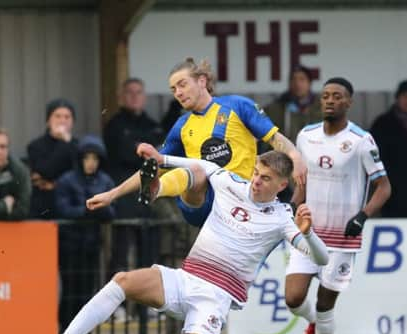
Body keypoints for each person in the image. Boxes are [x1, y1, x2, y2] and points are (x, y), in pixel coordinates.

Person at [37, 150, 329, 334]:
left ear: (281, 185)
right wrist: (159, 158)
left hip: (214, 298)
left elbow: (321, 258)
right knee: (123, 280)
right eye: (255, 173)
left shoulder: (282, 219)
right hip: (184, 280)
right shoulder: (229, 182)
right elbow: (196, 164)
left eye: (265, 178)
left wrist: (309, 235)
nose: (255, 181)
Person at [87, 57, 307, 229]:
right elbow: (155, 165)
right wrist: (111, 194)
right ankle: (156, 189)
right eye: (173, 90)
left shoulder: (237, 106)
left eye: (182, 85)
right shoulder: (181, 125)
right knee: (191, 169)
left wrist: (295, 156)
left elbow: (275, 138)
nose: (178, 93)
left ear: (202, 81)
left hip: (240, 198)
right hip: (202, 203)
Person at [284, 77, 391, 334]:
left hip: (344, 238)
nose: (329, 100)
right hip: (309, 231)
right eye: (326, 95)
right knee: (293, 298)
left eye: (337, 96)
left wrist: (363, 215)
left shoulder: (361, 140)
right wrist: (293, 204)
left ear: (348, 103)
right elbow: (301, 181)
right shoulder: (306, 136)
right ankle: (314, 324)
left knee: (325, 303)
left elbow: (384, 187)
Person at [55, 135, 115, 334]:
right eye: (87, 158)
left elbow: (112, 211)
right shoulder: (67, 180)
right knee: (70, 292)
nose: (91, 163)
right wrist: (89, 211)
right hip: (70, 245)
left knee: (88, 294)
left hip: (91, 245)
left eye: (95, 159)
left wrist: (95, 211)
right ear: (80, 159)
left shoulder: (105, 181)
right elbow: (62, 210)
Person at [103, 77, 163, 219]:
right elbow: (124, 155)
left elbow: (161, 153)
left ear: (145, 97)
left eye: (138, 92)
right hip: (124, 188)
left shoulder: (153, 126)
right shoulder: (114, 125)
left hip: (151, 186)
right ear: (121, 97)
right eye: (130, 92)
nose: (135, 96)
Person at [27, 98, 79, 219]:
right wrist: (64, 143)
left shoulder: (79, 146)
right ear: (48, 120)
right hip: (45, 206)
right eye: (58, 116)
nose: (62, 121)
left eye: (67, 117)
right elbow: (45, 171)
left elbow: (80, 171)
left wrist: (54, 184)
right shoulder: (35, 146)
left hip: (72, 203)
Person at [369, 79, 407, 217]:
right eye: (404, 96)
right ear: (398, 98)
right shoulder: (383, 123)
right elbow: (373, 157)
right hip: (392, 192)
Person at [261, 65, 321, 151]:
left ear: (309, 83)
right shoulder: (276, 108)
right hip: (284, 158)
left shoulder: (322, 108)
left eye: (302, 79)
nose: (297, 84)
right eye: (293, 80)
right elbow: (264, 136)